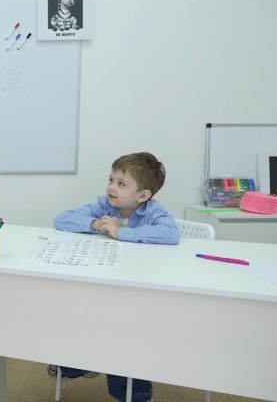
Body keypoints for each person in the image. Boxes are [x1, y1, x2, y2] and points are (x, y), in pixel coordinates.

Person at [47, 152, 179, 402]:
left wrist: (121, 233)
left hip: (140, 291)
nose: (111, 187)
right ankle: (79, 364)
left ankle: (135, 393)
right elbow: (62, 219)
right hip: (106, 282)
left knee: (124, 332)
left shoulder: (152, 212)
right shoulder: (104, 206)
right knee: (85, 314)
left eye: (121, 183)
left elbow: (171, 234)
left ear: (143, 196)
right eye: (111, 180)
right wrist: (95, 224)